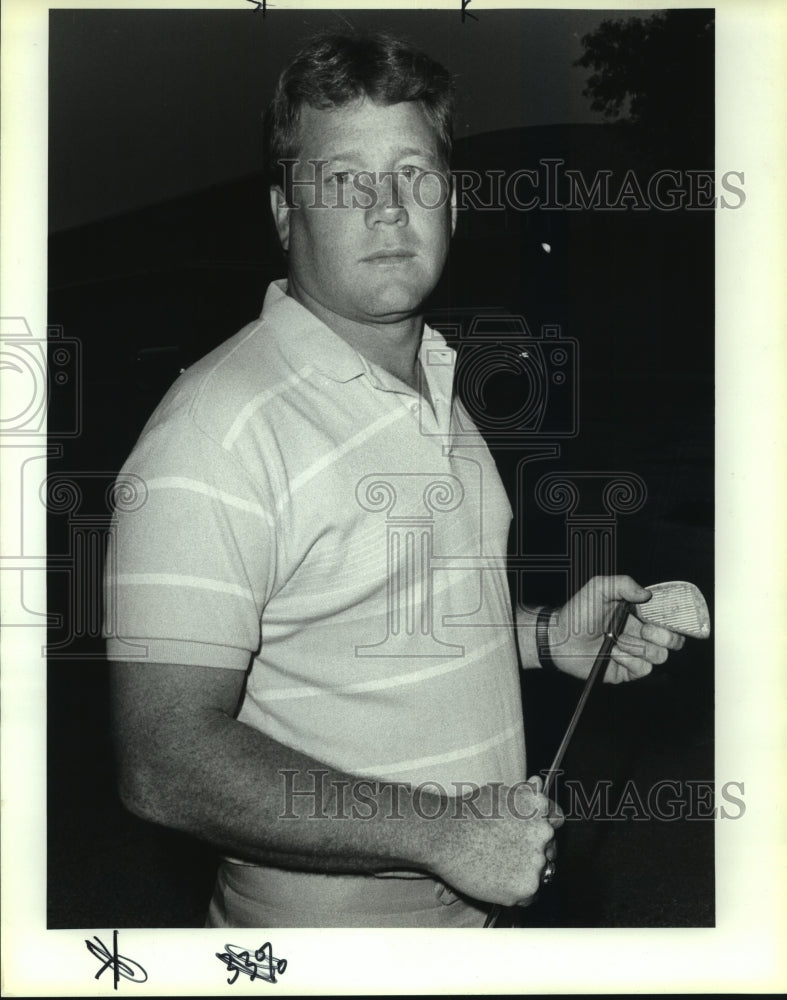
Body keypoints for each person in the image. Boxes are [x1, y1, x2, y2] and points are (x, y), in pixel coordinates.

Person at [105, 31, 685, 929]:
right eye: (344, 180)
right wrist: (442, 832)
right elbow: (164, 760)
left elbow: (370, 616)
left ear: (451, 202)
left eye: (414, 173)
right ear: (282, 210)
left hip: (478, 928)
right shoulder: (215, 429)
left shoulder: (440, 385)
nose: (387, 208)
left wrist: (541, 639)